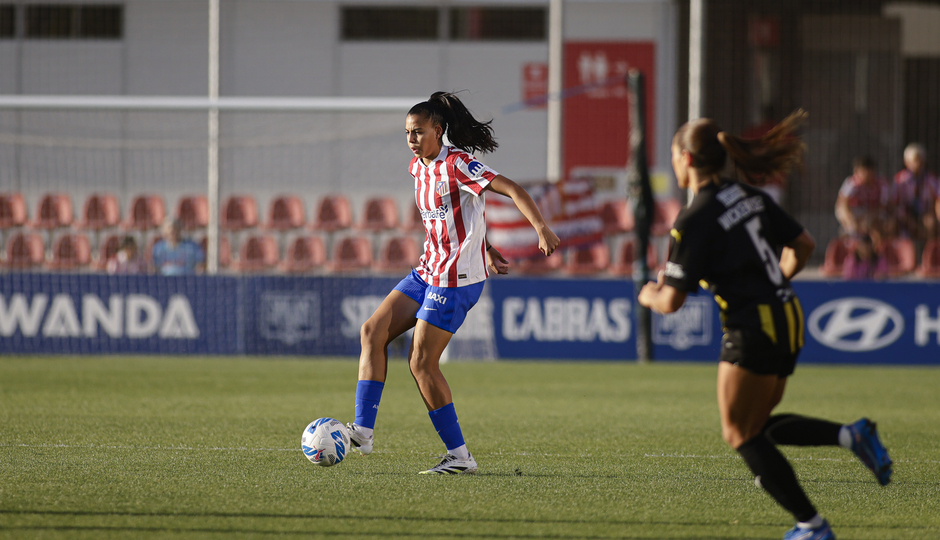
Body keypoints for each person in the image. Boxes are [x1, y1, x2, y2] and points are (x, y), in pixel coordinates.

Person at [638, 111, 892, 540]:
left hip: (752, 326)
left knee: (739, 432)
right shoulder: (746, 194)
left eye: (673, 156)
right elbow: (804, 244)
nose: (673, 164)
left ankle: (812, 526)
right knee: (758, 425)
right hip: (787, 315)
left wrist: (645, 292)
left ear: (686, 158)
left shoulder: (693, 219)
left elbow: (671, 301)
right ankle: (852, 436)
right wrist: (774, 283)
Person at [346, 91, 560, 475]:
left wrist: (540, 227)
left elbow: (511, 188)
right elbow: (454, 217)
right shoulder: (417, 168)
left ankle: (460, 457)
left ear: (438, 131)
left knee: (422, 362)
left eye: (418, 132)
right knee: (372, 331)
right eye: (407, 133)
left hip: (456, 278)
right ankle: (362, 431)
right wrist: (488, 246)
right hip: (428, 270)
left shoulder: (459, 164)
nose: (411, 139)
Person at [891, 143, 939, 241]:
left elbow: (937, 200)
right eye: (915, 160)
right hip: (905, 215)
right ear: (906, 162)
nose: (919, 164)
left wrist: (933, 214)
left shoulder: (932, 179)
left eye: (921, 160)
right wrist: (906, 217)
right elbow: (894, 203)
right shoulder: (899, 180)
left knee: (931, 224)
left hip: (925, 214)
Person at [834, 156, 889, 241]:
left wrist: (866, 218)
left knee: (873, 224)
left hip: (873, 213)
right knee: (842, 211)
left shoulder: (881, 183)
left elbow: (883, 206)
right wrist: (850, 220)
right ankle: (850, 235)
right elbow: (842, 202)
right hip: (855, 213)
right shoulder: (852, 182)